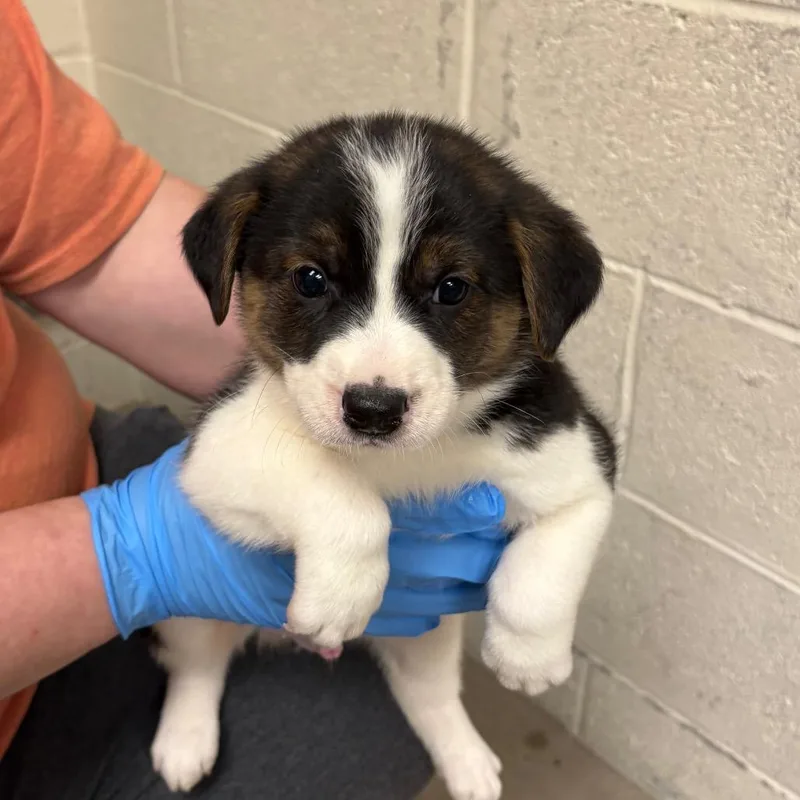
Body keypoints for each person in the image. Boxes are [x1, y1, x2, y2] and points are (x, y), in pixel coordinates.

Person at [0, 2, 508, 798]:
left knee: (386, 699)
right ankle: (191, 676)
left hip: (79, 459)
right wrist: (126, 558)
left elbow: (102, 227)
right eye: (310, 282)